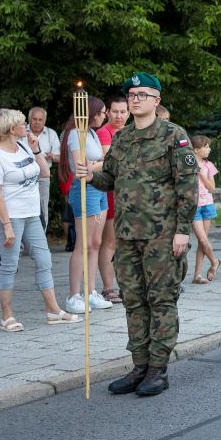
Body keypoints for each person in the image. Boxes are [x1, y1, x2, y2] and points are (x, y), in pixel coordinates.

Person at [76, 72, 199, 396]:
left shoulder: (174, 136)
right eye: (131, 95)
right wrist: (91, 174)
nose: (135, 99)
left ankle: (158, 369)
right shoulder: (123, 138)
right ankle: (139, 365)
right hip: (128, 234)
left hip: (162, 234)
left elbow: (188, 187)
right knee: (133, 300)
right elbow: (111, 180)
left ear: (156, 101)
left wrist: (182, 232)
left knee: (161, 300)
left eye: (143, 94)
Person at [0, 108, 80, 330]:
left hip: (31, 214)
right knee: (9, 265)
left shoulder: (24, 146)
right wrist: (7, 226)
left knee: (44, 260)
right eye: (21, 123)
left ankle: (53, 310)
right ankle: (6, 316)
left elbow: (45, 172)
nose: (26, 126)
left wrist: (36, 148)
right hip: (10, 216)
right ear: (11, 128)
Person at [59, 97, 114, 313]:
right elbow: (82, 166)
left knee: (95, 242)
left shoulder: (90, 133)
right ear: (90, 113)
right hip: (84, 188)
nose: (103, 116)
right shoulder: (76, 134)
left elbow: (95, 164)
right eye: (100, 112)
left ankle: (91, 292)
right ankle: (74, 295)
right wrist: (104, 163)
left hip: (98, 187)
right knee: (83, 243)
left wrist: (97, 165)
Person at [97, 96, 129, 304]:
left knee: (123, 242)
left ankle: (124, 285)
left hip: (129, 194)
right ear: (107, 112)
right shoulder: (103, 133)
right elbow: (112, 163)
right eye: (115, 111)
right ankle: (108, 288)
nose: (119, 116)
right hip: (111, 192)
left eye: (122, 112)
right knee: (109, 241)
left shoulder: (129, 132)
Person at [190, 135, 221, 284]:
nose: (209, 149)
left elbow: (212, 188)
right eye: (206, 146)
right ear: (196, 150)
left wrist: (201, 173)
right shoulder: (188, 165)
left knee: (203, 242)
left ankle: (197, 275)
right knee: (202, 239)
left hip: (207, 204)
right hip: (194, 206)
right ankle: (214, 261)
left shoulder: (209, 166)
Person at [28, 107, 60, 233]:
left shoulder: (51, 134)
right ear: (30, 119)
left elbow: (60, 157)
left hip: (43, 176)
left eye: (40, 119)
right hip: (24, 176)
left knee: (42, 207)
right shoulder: (22, 133)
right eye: (34, 119)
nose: (37, 122)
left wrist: (52, 156)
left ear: (45, 120)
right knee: (24, 207)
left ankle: (41, 236)